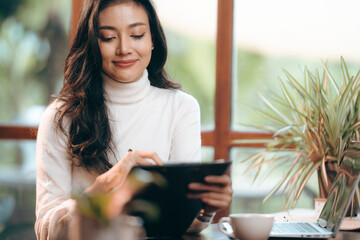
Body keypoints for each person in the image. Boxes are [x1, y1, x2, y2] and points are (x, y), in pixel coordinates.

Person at [35, 0, 233, 239]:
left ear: (153, 40)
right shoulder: (60, 117)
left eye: (137, 35)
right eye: (108, 37)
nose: (124, 49)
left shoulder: (181, 108)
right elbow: (46, 231)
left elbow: (179, 221)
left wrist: (205, 210)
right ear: (92, 44)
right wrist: (104, 185)